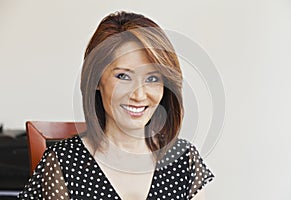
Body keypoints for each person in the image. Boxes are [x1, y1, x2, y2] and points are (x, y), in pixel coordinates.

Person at [18, 11, 214, 200]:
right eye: (123, 76)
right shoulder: (63, 162)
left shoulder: (184, 159)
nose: (138, 94)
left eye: (152, 78)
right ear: (96, 80)